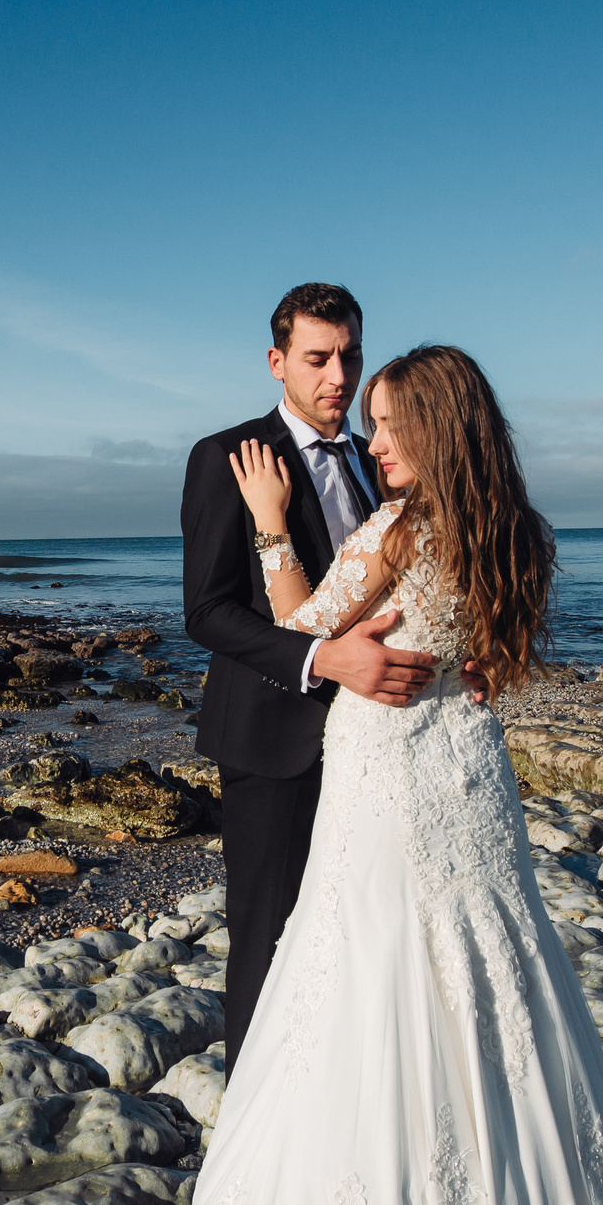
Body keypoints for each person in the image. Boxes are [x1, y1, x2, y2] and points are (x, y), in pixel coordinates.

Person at [171, 344, 603, 1205]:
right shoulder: (513, 533)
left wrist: (268, 525)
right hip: (471, 777)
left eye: (392, 423)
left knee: (367, 974)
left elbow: (302, 625)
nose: (374, 438)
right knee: (491, 976)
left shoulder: (397, 528)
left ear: (438, 427)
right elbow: (496, 658)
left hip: (390, 777)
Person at [180, 283, 443, 1057]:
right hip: (270, 738)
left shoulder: (379, 459)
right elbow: (208, 612)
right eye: (318, 358)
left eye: (350, 355)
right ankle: (250, 1148)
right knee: (266, 939)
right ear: (277, 362)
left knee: (356, 930)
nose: (339, 376)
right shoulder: (227, 457)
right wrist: (322, 657)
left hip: (371, 745)